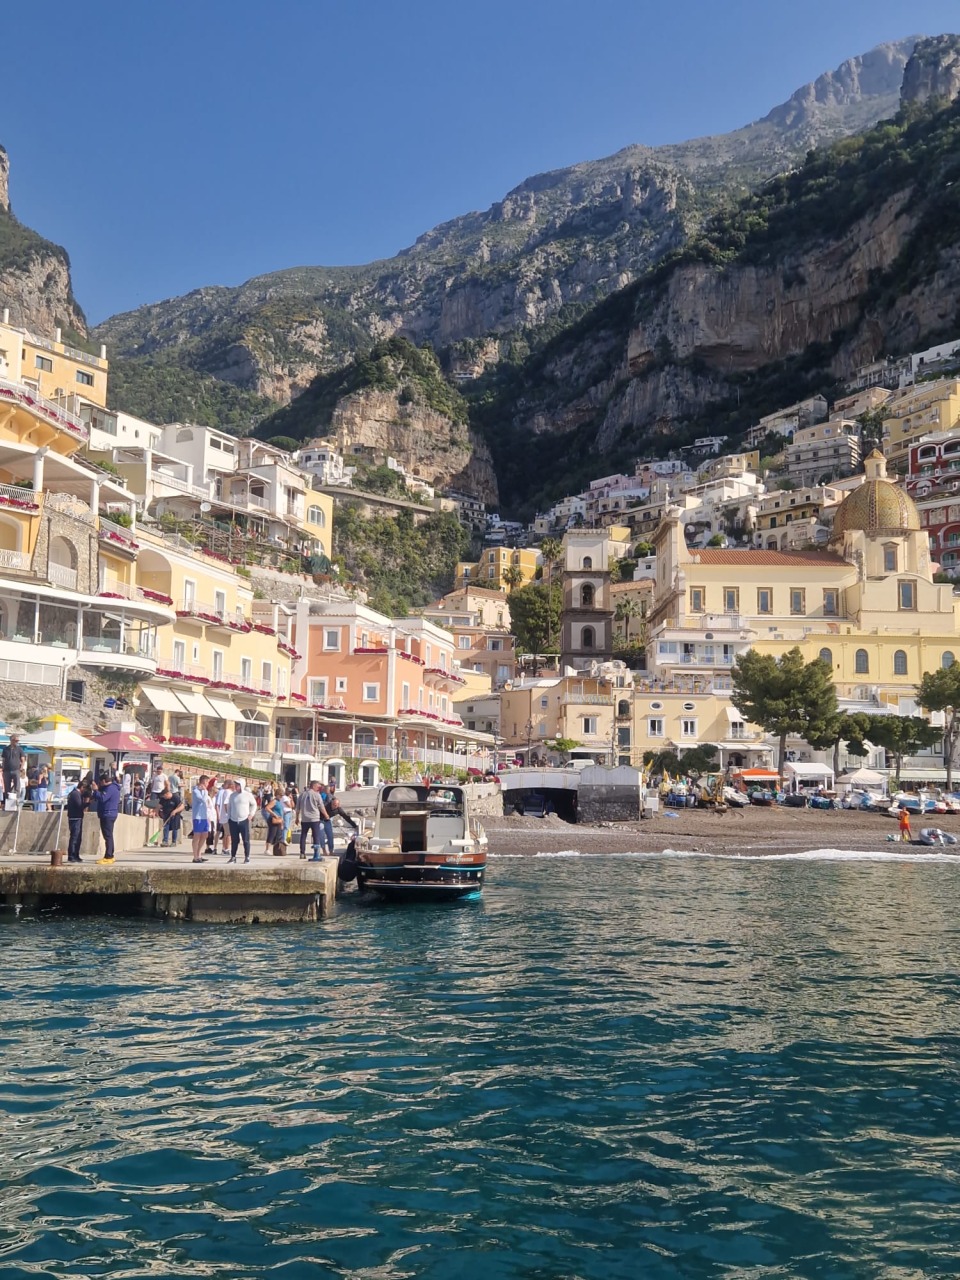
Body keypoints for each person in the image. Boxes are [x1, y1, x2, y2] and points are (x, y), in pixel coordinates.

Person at [297, 780, 329, 861]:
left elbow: (298, 808)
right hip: (314, 818)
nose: (319, 788)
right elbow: (321, 807)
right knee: (316, 835)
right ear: (313, 786)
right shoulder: (316, 795)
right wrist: (326, 815)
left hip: (304, 818)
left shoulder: (302, 794)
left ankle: (302, 853)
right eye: (318, 786)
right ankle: (316, 854)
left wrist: (297, 818)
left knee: (303, 835)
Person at [228, 779, 258, 864]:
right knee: (234, 840)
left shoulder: (247, 795)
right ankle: (233, 857)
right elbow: (229, 807)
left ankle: (247, 857)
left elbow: (254, 804)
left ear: (242, 785)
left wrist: (251, 814)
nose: (236, 786)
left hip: (244, 820)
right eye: (235, 785)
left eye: (237, 785)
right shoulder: (232, 795)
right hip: (233, 820)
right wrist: (229, 817)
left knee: (246, 840)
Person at [94, 771, 121, 863]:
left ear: (104, 781)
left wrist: (96, 790)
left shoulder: (110, 788)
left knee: (108, 836)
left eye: (100, 782)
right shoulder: (112, 787)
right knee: (108, 835)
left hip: (108, 814)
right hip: (108, 813)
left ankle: (109, 856)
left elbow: (103, 798)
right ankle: (109, 855)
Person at [66, 780, 91, 863]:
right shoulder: (75, 794)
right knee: (74, 837)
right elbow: (79, 805)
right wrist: (88, 803)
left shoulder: (76, 794)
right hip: (75, 818)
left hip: (77, 818)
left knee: (78, 838)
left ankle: (76, 855)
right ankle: (71, 856)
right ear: (82, 787)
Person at [190, 775, 210, 863]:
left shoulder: (204, 791)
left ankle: (199, 854)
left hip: (204, 816)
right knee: (197, 836)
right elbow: (203, 800)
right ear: (203, 782)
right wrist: (205, 791)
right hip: (198, 817)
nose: (208, 784)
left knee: (205, 835)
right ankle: (195, 857)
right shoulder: (196, 791)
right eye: (207, 782)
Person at [1, 734, 23, 804]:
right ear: (11, 740)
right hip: (7, 770)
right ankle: (7, 801)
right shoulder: (6, 749)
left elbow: (23, 759)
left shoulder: (19, 749)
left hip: (16, 769)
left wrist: (21, 768)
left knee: (17, 786)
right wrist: (3, 768)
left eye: (17, 741)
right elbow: (3, 759)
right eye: (16, 740)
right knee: (7, 786)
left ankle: (17, 800)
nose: (17, 742)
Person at [214, 779, 233, 856]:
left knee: (226, 833)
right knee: (228, 834)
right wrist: (228, 813)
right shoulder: (227, 792)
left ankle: (224, 848)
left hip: (224, 816)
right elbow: (226, 804)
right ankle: (226, 849)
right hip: (226, 816)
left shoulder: (225, 792)